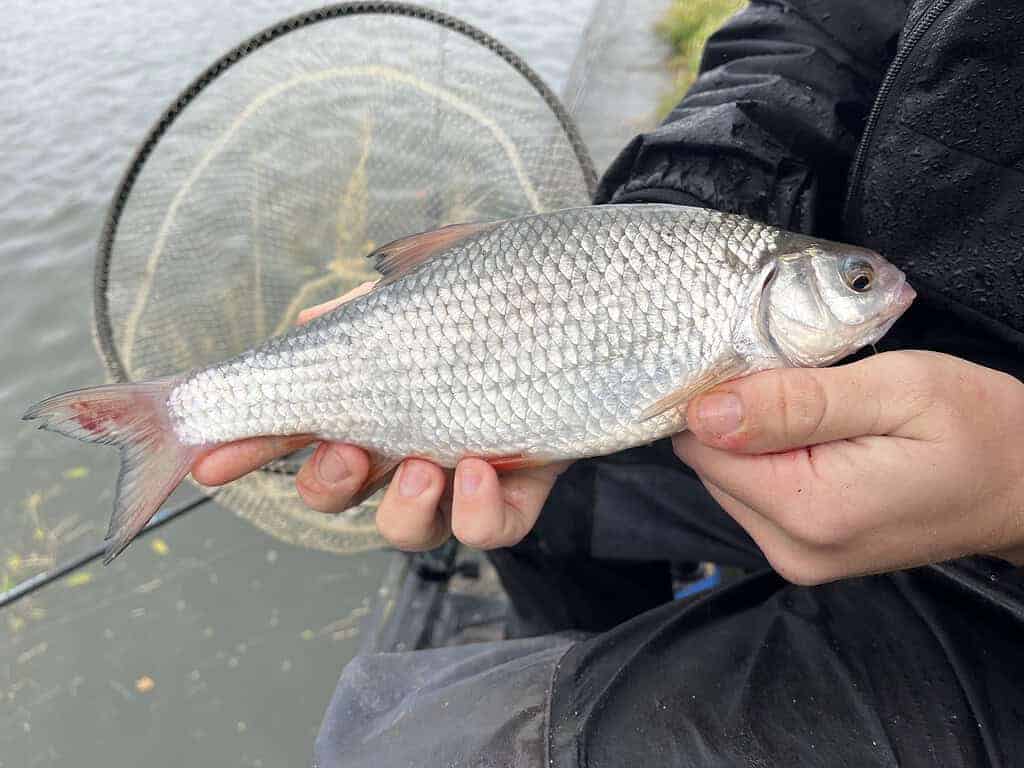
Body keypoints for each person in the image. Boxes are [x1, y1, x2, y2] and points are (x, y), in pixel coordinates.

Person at [196, 0, 1024, 764]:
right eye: (858, 284)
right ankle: (606, 649)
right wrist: (647, 225)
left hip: (997, 608)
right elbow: (823, 28)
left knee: (415, 747)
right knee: (541, 506)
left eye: (857, 285)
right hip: (806, 416)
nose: (884, 288)